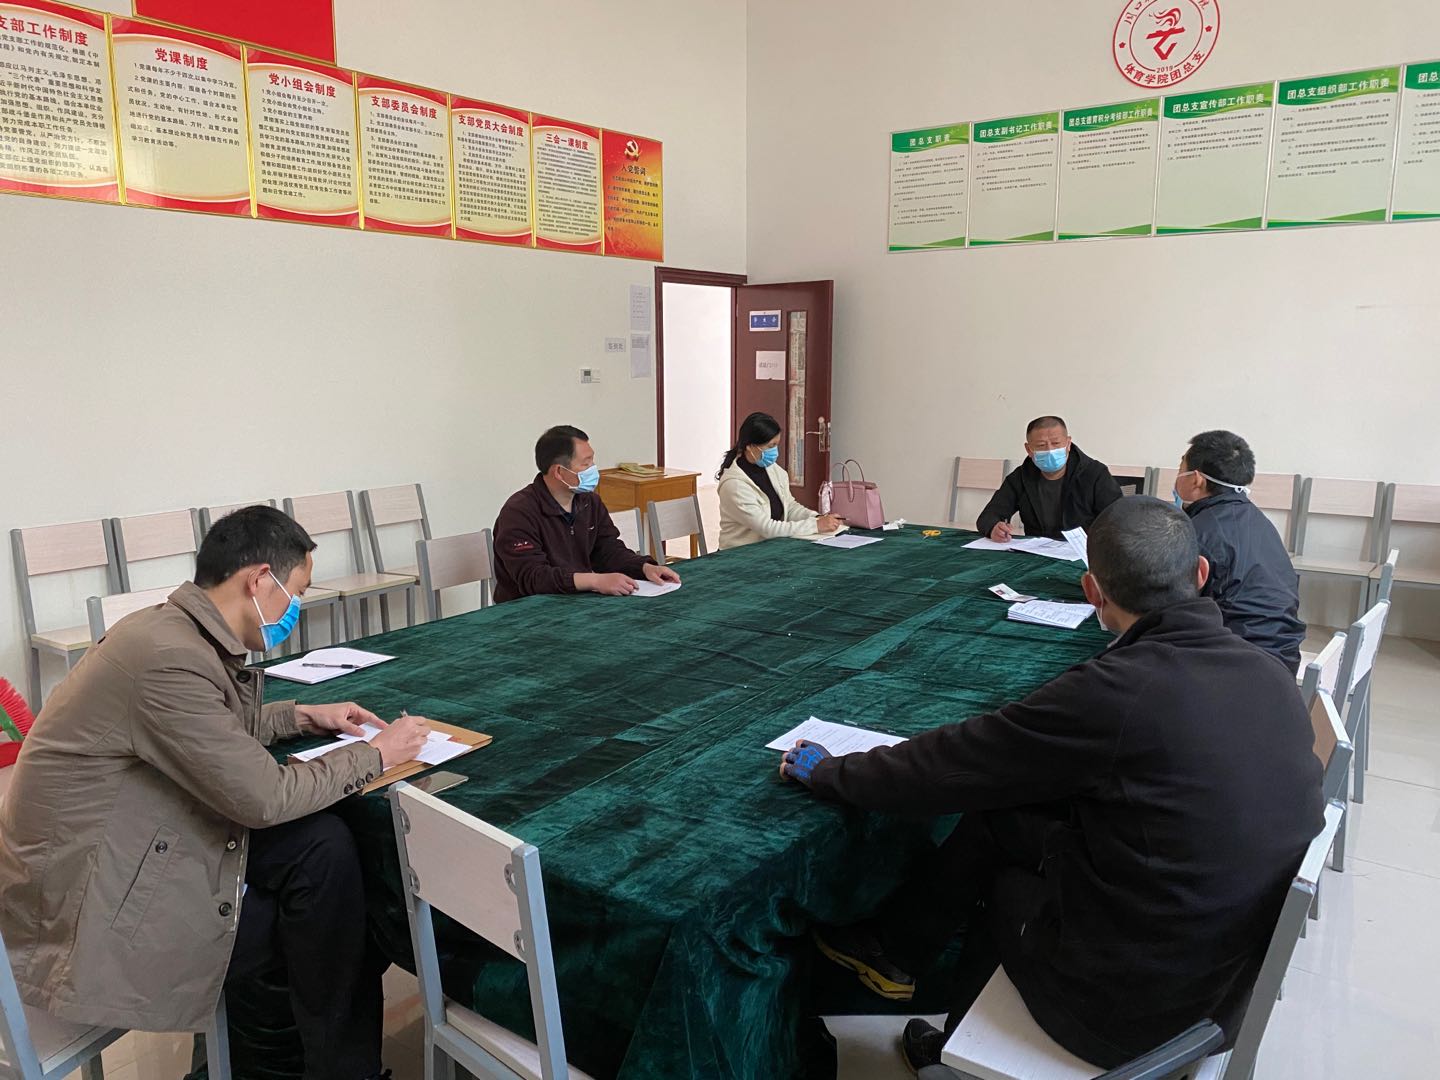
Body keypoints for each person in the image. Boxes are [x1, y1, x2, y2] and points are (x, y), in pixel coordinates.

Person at [778, 497, 1323, 1072]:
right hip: (1225, 987)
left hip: (1129, 1014)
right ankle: (896, 952)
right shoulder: (1267, 670)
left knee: (1004, 882)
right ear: (1202, 573)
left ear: (1092, 591)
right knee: (1004, 816)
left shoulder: (1117, 691)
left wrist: (834, 771)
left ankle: (954, 1053)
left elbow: (957, 761)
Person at [0, 506, 431, 1080]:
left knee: (323, 847)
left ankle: (313, 1063)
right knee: (328, 911)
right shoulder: (169, 659)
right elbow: (263, 797)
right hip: (88, 911)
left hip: (123, 849)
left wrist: (302, 716)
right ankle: (313, 1065)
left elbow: (208, 731)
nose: (295, 610)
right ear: (259, 580)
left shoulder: (169, 631)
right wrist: (377, 753)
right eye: (296, 593)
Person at [493, 424, 681, 602]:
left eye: (592, 461)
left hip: (576, 601)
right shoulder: (518, 512)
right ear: (559, 471)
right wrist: (595, 581)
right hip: (527, 611)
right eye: (586, 464)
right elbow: (535, 578)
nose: (593, 469)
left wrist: (644, 567)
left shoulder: (589, 502)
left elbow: (608, 550)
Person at [1173, 430, 1306, 670]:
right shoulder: (1257, 520)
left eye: (1180, 467)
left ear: (1196, 480)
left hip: (1240, 665)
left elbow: (1171, 609)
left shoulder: (1199, 533)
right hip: (1282, 655)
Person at [977, 415, 1123, 541]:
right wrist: (994, 528)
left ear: (1068, 444)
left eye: (1056, 443)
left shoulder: (1095, 474)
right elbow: (988, 516)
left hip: (1083, 553)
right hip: (1036, 553)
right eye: (1041, 445)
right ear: (1029, 449)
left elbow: (1119, 522)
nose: (1050, 450)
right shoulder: (1020, 477)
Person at [716, 411, 842, 549]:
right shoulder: (734, 485)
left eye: (776, 445)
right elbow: (767, 528)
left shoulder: (773, 469)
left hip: (769, 549)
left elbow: (790, 507)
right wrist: (815, 525)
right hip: (738, 554)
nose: (775, 451)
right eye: (771, 446)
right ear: (750, 446)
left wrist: (816, 517)